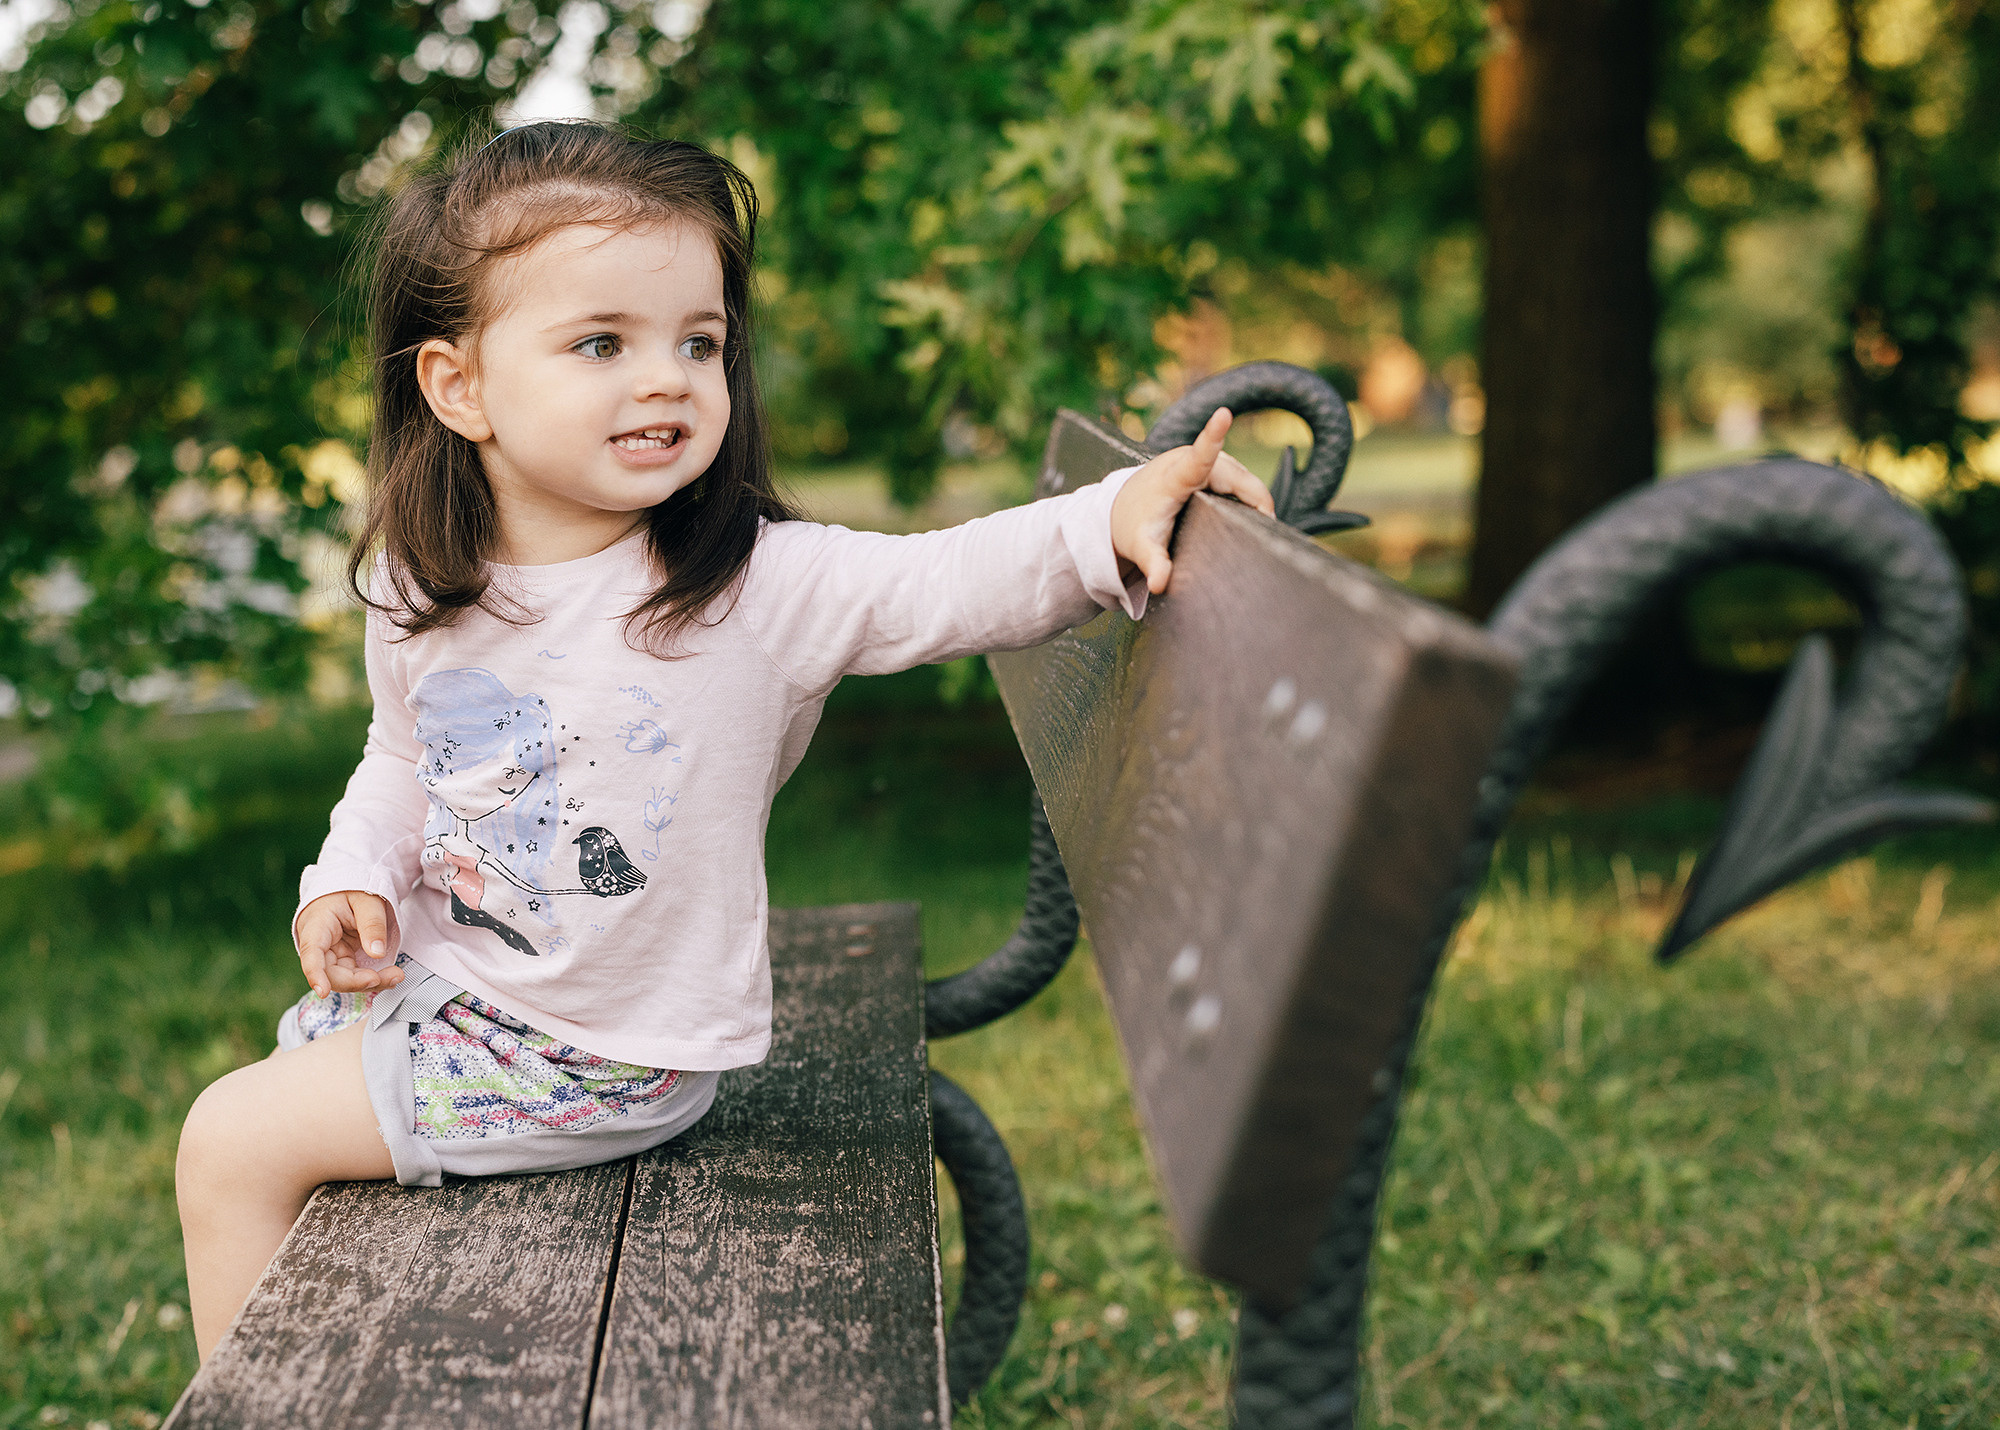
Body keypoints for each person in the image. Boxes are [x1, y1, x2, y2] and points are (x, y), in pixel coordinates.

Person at [173, 120, 1271, 1360]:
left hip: (598, 1050)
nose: (667, 379)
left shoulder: (751, 588)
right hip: (461, 990)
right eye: (603, 342)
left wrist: (1104, 513)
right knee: (294, 1069)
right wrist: (353, 874)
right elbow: (397, 757)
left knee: (229, 1140)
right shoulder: (427, 588)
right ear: (456, 384)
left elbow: (949, 578)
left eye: (698, 342)